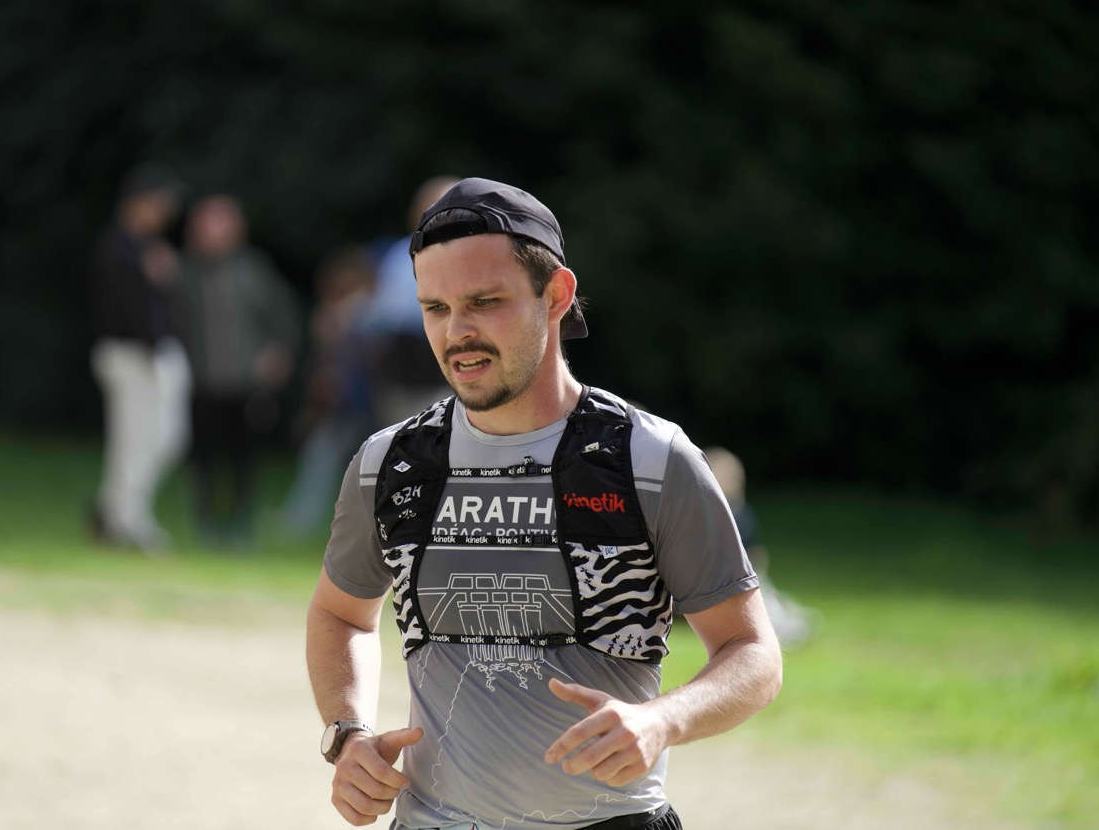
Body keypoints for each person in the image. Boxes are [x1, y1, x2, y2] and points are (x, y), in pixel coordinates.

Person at [306, 178, 783, 830]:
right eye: (435, 308)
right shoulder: (389, 463)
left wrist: (660, 720)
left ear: (556, 294)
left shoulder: (648, 459)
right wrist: (347, 732)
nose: (457, 332)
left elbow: (753, 651)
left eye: (485, 302)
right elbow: (340, 614)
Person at [173, 194, 301, 545]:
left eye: (222, 222)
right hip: (198, 380)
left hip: (246, 382)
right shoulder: (182, 271)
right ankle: (205, 521)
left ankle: (241, 523)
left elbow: (283, 314)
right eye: (207, 223)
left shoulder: (253, 269)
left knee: (245, 457)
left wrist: (278, 352)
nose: (215, 231)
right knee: (202, 456)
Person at [88, 164, 191, 553]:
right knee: (135, 440)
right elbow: (126, 306)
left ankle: (114, 511)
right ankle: (127, 520)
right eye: (158, 204)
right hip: (130, 354)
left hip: (154, 352)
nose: (164, 214)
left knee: (164, 439)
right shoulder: (117, 247)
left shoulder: (149, 248)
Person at [279, 244, 378, 534]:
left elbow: (347, 362)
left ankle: (302, 519)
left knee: (326, 458)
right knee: (328, 458)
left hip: (353, 401)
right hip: (348, 403)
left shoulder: (359, 312)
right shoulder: (346, 312)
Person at [362, 176, 459, 427]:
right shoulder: (400, 256)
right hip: (404, 375)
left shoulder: (475, 255)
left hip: (455, 372)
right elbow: (384, 315)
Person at [705, 446, 815, 647]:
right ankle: (785, 620)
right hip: (718, 579)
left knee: (762, 597)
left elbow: (755, 554)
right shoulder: (708, 514)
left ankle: (785, 620)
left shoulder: (740, 515)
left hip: (741, 575)